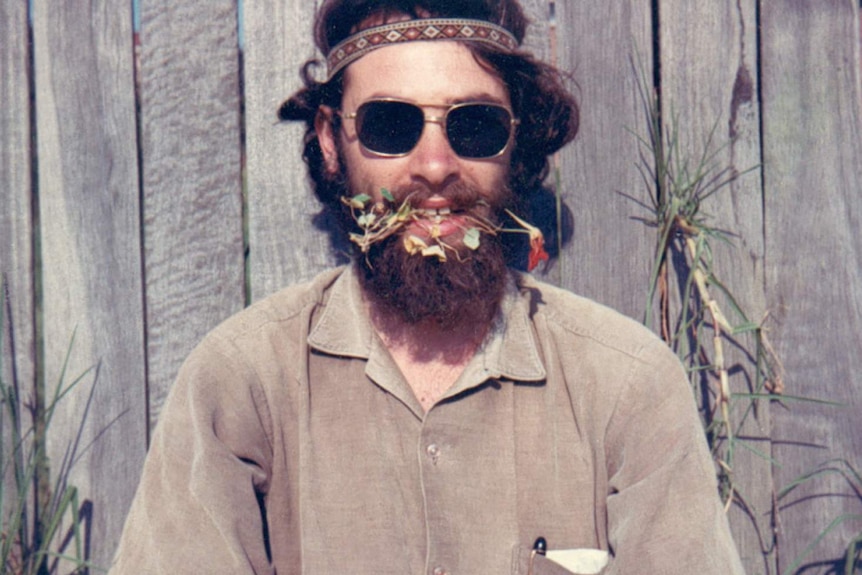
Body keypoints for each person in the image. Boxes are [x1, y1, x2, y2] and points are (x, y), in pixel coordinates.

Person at [111, 1, 745, 573]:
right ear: (333, 141)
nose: (436, 166)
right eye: (390, 125)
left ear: (514, 138)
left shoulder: (627, 386)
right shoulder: (240, 381)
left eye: (473, 126)